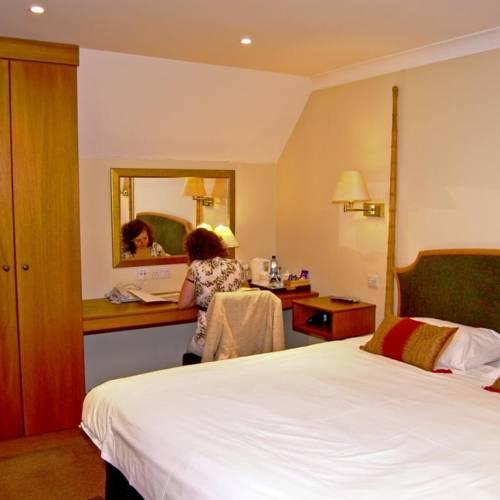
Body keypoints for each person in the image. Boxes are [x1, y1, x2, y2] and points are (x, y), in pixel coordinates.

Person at [178, 228, 244, 356]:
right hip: (234, 338)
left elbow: (183, 304)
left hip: (208, 341)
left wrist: (200, 299)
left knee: (189, 350)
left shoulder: (196, 267)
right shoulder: (236, 265)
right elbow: (245, 294)